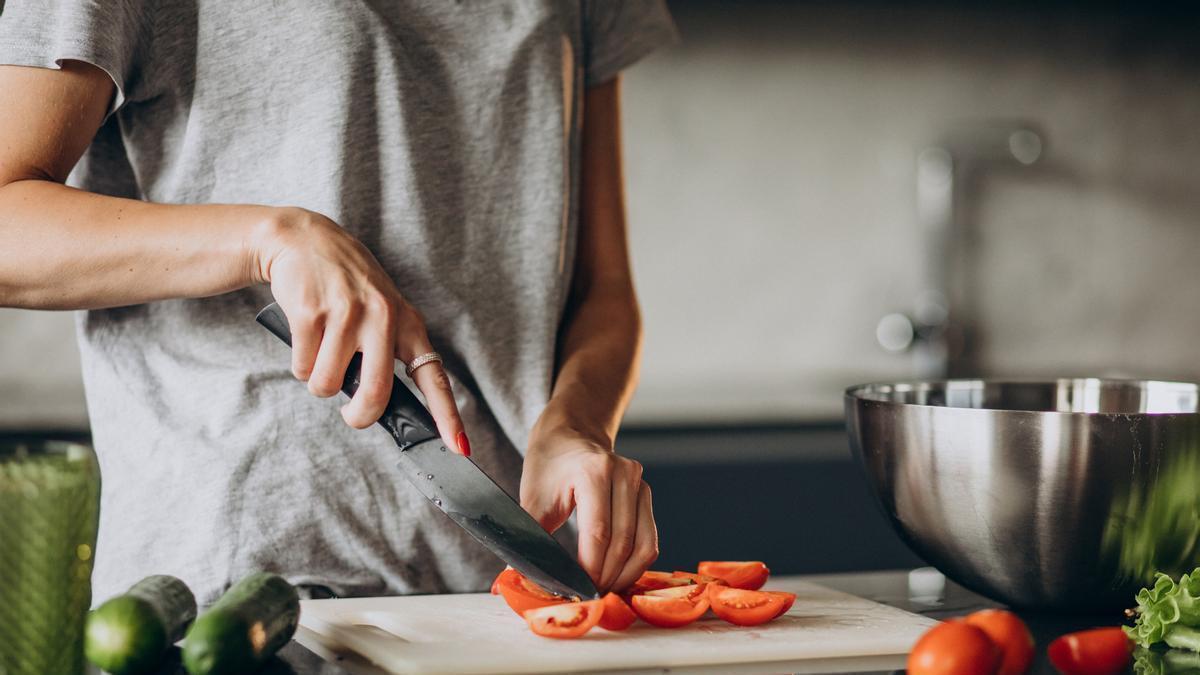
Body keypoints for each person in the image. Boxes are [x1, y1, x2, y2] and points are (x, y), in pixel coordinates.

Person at [0, 2, 677, 604]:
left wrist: (576, 425)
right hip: (237, 596)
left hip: (498, 590)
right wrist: (266, 240)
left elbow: (603, 290)